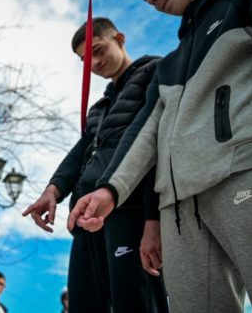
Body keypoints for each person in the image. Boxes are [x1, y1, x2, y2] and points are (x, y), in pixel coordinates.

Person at [68, 0, 252, 311]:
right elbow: (145, 133)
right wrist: (110, 190)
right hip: (179, 210)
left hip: (243, 174)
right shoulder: (168, 66)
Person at [22, 17, 168, 312]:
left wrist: (154, 218)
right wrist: (53, 190)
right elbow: (80, 153)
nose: (94, 62)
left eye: (99, 50)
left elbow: (157, 147)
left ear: (120, 39)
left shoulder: (155, 72)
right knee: (83, 304)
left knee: (135, 304)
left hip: (129, 211)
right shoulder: (99, 107)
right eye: (85, 59)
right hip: (86, 218)